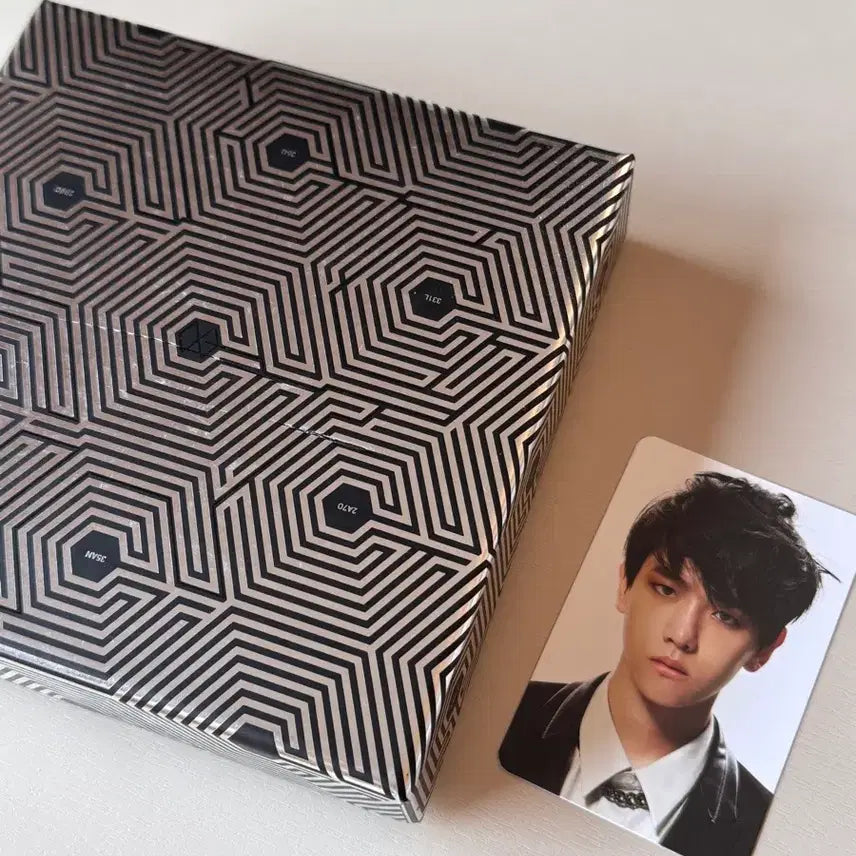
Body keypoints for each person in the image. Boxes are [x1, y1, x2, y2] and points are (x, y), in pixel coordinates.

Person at [500, 472, 833, 856]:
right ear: (625, 585)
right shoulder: (506, 710)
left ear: (766, 650)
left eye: (725, 616)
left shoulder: (765, 832)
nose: (682, 635)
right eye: (665, 589)